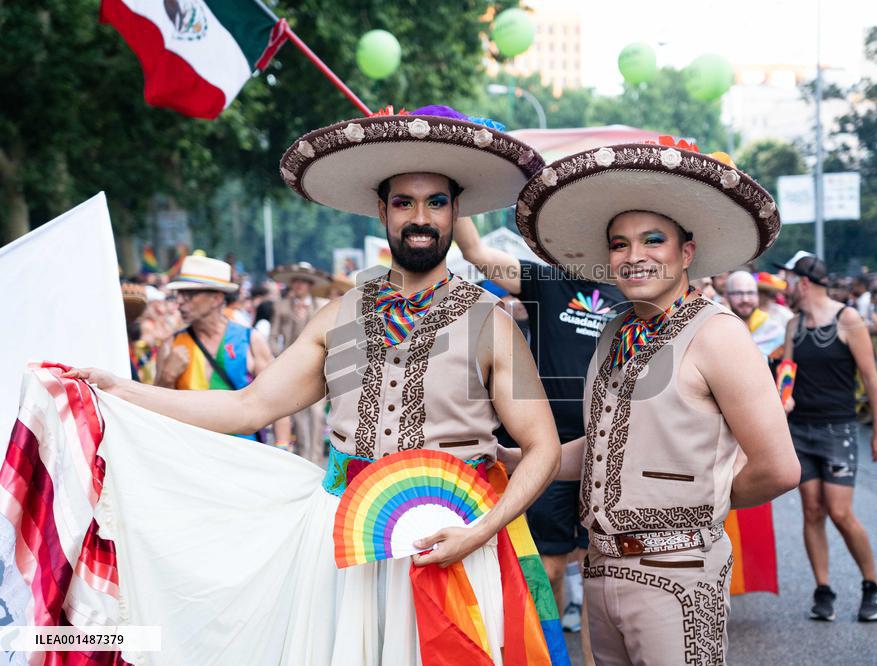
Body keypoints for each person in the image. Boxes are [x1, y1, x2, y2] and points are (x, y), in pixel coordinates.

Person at [68, 105, 565, 664]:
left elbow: (541, 447)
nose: (419, 217)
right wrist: (120, 390)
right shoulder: (337, 317)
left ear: (456, 213)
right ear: (382, 211)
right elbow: (247, 406)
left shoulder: (492, 323)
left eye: (436, 203)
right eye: (404, 202)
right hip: (341, 545)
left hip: (455, 546)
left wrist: (482, 532)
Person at [507, 139, 800, 663]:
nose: (634, 255)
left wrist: (701, 509)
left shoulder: (718, 335)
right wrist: (514, 460)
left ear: (686, 252)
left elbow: (779, 468)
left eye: (653, 240)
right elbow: (602, 449)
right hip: (599, 572)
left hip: (680, 579)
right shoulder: (614, 331)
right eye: (619, 244)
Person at [455, 214, 624, 651]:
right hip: (547, 451)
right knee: (547, 568)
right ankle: (550, 656)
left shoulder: (630, 289)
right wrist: (457, 190)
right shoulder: (547, 281)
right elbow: (476, 253)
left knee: (598, 574)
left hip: (608, 450)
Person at [778, 252, 877, 622]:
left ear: (804, 283)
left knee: (840, 512)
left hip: (838, 430)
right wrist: (785, 394)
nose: (785, 288)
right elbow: (788, 371)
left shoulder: (849, 319)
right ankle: (823, 589)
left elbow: (872, 379)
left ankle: (874, 586)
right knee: (812, 508)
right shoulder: (793, 325)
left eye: (788, 281)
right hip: (801, 429)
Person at [153, 255, 293, 446]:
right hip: (192, 453)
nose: (180, 302)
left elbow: (277, 401)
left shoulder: (249, 340)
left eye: (190, 295)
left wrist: (282, 448)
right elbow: (155, 410)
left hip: (244, 452)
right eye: (179, 294)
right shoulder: (172, 345)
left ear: (217, 298)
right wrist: (167, 376)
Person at [269, 261, 332, 462]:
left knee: (316, 413)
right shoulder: (281, 307)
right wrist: (280, 356)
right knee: (297, 413)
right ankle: (304, 457)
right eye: (296, 282)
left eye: (303, 282)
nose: (299, 286)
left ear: (310, 285)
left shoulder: (321, 307)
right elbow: (273, 336)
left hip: (317, 367)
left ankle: (314, 458)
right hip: (292, 368)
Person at [726, 270, 785, 362]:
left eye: (750, 293)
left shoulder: (774, 331)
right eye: (738, 293)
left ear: (757, 296)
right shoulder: (719, 329)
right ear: (727, 296)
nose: (745, 299)